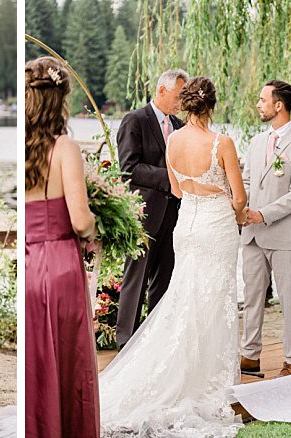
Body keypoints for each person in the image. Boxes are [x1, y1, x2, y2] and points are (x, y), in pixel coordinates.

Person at [98, 77, 246, 437]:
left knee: (183, 296)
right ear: (211, 106)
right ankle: (205, 379)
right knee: (212, 300)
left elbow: (177, 188)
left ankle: (175, 369)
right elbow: (239, 198)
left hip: (187, 227)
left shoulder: (174, 139)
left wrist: (200, 195)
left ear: (188, 104)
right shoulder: (222, 142)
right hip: (214, 226)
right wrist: (237, 214)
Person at [23, 57, 99, 438]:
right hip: (59, 264)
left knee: (36, 361)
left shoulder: (18, 146)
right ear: (61, 99)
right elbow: (80, 219)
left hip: (27, 260)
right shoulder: (63, 146)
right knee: (69, 360)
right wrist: (95, 230)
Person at [239, 80, 291, 377]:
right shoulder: (257, 142)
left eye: (262, 100)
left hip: (282, 236)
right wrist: (238, 208)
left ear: (278, 105)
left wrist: (262, 214)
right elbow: (246, 182)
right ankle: (249, 355)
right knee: (253, 296)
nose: (258, 104)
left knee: (289, 299)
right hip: (252, 236)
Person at [114, 69, 187, 348]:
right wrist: (170, 178)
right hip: (144, 214)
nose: (181, 101)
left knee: (164, 279)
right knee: (136, 279)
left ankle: (155, 342)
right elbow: (128, 169)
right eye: (179, 95)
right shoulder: (135, 120)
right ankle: (125, 342)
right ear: (161, 91)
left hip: (175, 213)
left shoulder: (180, 126)